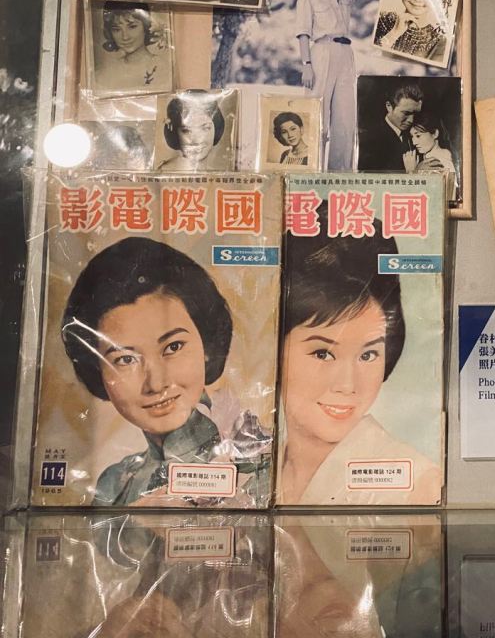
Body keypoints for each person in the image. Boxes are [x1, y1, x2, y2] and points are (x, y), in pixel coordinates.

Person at [60, 237, 271, 507]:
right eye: (125, 359)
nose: (156, 383)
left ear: (206, 345)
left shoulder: (259, 459)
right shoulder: (114, 485)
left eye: (173, 347)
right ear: (98, 370)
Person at [278, 213, 442, 505]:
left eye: (368, 354)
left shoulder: (419, 485)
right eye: (322, 353)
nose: (347, 385)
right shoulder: (257, 466)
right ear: (276, 348)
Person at [296, 0, 375, 171]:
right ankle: (312, 172)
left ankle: (338, 176)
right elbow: (303, 33)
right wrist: (306, 64)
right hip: (321, 53)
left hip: (345, 54)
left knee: (345, 119)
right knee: (317, 115)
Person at [93, 1, 168, 96]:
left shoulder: (162, 69)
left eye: (132, 27)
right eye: (117, 29)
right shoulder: (105, 72)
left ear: (146, 26)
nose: (125, 37)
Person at [157, 92, 232, 172]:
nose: (196, 140)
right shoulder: (164, 172)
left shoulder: (220, 173)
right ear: (175, 133)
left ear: (216, 128)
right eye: (186, 131)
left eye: (205, 128)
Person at [357, 82, 422, 172]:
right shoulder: (369, 140)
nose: (411, 120)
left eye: (415, 114)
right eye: (406, 113)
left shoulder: (416, 134)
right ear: (389, 106)